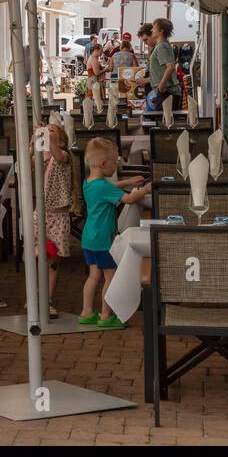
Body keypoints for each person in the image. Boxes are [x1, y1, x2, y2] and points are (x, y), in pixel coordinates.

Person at [78, 138, 151, 328]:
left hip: (89, 238)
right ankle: (105, 316)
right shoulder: (103, 186)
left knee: (94, 276)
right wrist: (146, 189)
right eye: (115, 161)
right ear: (104, 164)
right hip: (103, 239)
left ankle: (86, 312)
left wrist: (127, 181)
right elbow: (129, 199)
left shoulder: (89, 182)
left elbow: (107, 189)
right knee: (110, 277)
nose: (117, 163)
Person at [39, 124, 76, 319]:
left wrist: (50, 140)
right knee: (38, 257)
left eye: (52, 130)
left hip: (58, 217)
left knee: (52, 259)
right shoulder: (43, 157)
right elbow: (30, 159)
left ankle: (48, 299)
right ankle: (38, 295)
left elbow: (56, 153)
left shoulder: (63, 156)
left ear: (61, 141)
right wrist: (34, 139)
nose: (47, 132)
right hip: (41, 215)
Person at [138, 17, 181, 112]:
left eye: (154, 28)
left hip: (167, 92)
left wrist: (161, 85)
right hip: (165, 92)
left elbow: (170, 67)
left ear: (161, 31)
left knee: (162, 122)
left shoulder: (161, 47)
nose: (152, 29)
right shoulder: (161, 45)